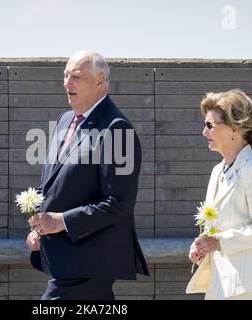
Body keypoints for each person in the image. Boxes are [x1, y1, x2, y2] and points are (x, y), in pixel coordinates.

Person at [25, 50, 149, 300]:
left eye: (76, 77)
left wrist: (60, 221)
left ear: (100, 81)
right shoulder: (64, 121)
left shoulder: (117, 129)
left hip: (91, 260)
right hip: (64, 258)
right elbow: (53, 185)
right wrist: (40, 226)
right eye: (65, 75)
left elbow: (119, 204)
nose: (67, 83)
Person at [186, 89, 252, 300]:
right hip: (221, 283)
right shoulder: (217, 171)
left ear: (234, 128)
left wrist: (218, 242)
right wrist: (203, 245)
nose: (204, 132)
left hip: (250, 285)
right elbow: (218, 226)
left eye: (210, 125)